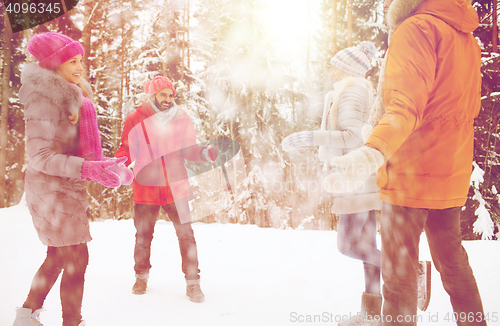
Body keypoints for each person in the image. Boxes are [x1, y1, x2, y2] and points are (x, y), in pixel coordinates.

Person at [323, 0, 486, 325]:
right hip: (449, 172)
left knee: (399, 275)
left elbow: (404, 107)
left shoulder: (415, 29)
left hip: (408, 174)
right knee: (453, 265)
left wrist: (371, 152)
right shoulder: (465, 37)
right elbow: (468, 109)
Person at [14, 32, 132, 326]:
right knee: (77, 258)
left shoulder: (70, 93)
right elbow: (40, 156)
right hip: (49, 190)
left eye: (80, 60)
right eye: (71, 61)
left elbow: (74, 149)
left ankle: (26, 316)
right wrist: (88, 169)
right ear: (54, 65)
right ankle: (71, 322)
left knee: (58, 256)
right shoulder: (43, 98)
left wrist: (106, 167)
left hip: (63, 186)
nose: (80, 67)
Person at [282, 42, 384, 323]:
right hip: (361, 177)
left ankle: (407, 266)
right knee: (367, 248)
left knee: (348, 245)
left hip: (353, 180)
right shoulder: (354, 89)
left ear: (347, 68)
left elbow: (352, 136)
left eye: (335, 65)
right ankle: (372, 315)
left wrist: (310, 137)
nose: (332, 70)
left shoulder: (351, 90)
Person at [115, 75, 218, 303]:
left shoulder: (181, 119)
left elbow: (188, 148)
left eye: (171, 95)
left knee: (186, 236)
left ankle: (193, 283)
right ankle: (141, 277)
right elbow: (126, 149)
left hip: (175, 186)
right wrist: (116, 166)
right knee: (143, 236)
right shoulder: (135, 119)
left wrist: (204, 153)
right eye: (163, 94)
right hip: (146, 187)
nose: (168, 99)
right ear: (152, 95)